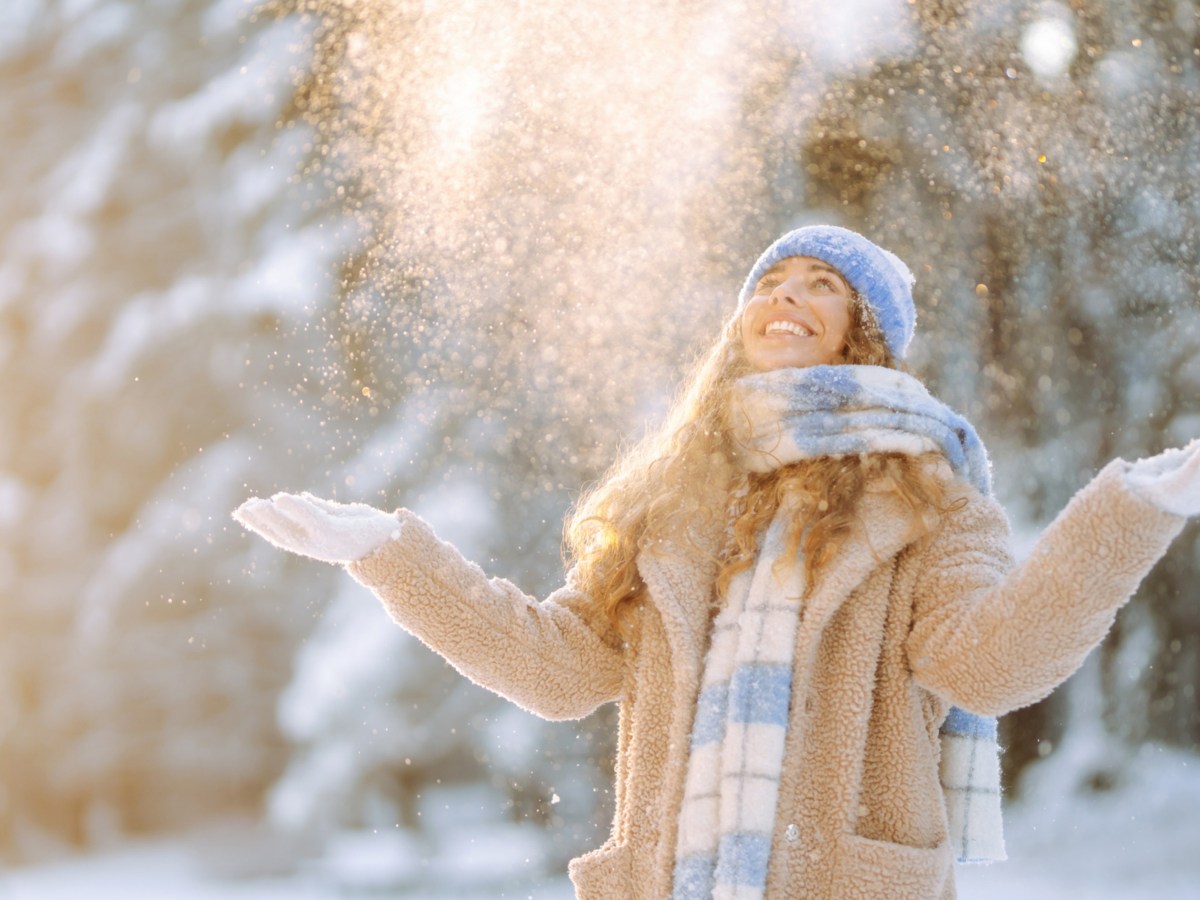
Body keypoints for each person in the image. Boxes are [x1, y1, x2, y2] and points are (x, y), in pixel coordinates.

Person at [234, 225, 1200, 900]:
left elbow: (990, 664)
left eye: (822, 284)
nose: (787, 296)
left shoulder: (928, 497)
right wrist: (391, 556)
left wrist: (1129, 516)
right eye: (772, 284)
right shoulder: (677, 501)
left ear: (867, 330)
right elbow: (558, 667)